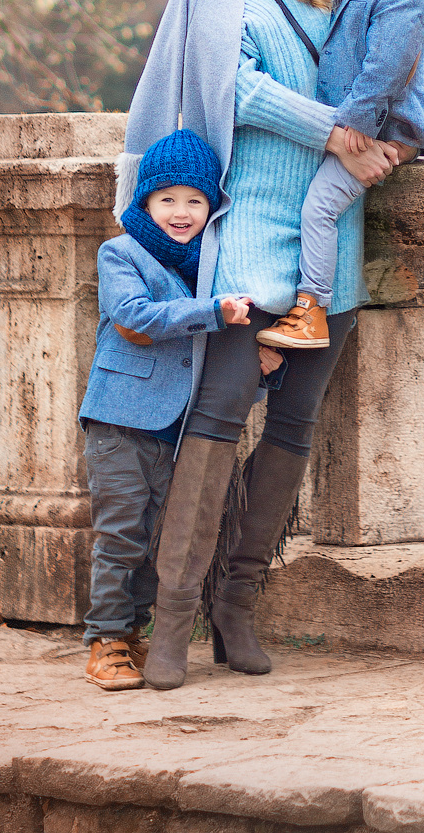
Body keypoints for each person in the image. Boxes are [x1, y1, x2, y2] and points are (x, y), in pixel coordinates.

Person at [115, 0, 395, 691]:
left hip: (330, 239)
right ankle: (171, 621)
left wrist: (389, 139)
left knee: (295, 429)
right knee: (216, 422)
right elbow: (234, 90)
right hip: (246, 232)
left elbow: (384, 75)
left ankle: (238, 604)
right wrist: (341, 133)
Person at [77, 128, 255, 689]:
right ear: (146, 201)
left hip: (173, 428)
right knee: (121, 533)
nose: (181, 212)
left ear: (212, 206)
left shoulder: (210, 266)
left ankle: (133, 631)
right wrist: (211, 312)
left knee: (156, 537)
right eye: (168, 199)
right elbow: (135, 319)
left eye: (195, 200)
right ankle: (105, 640)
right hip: (119, 422)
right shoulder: (121, 253)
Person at [264, 0, 424, 353]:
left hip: (384, 132)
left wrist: (350, 130)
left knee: (319, 208)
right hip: (366, 126)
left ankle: (311, 310)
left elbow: (385, 70)